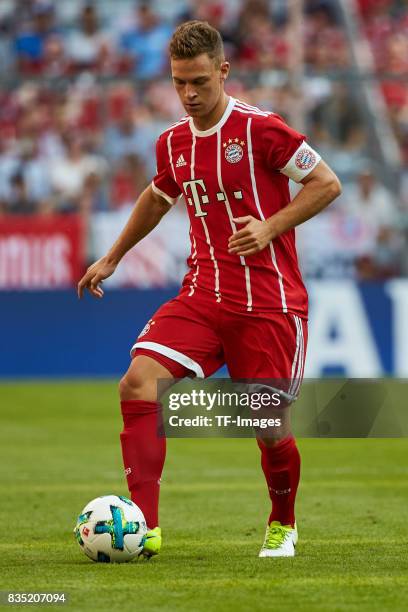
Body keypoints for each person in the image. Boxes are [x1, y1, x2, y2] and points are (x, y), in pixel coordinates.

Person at [78, 20, 341, 559]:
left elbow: (325, 183)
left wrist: (269, 226)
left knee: (268, 428)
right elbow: (157, 197)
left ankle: (283, 523)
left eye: (199, 80)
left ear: (223, 71)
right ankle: (143, 529)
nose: (190, 94)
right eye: (180, 83)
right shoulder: (172, 142)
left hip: (268, 302)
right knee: (137, 384)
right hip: (202, 295)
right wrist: (112, 257)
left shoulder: (263, 131)